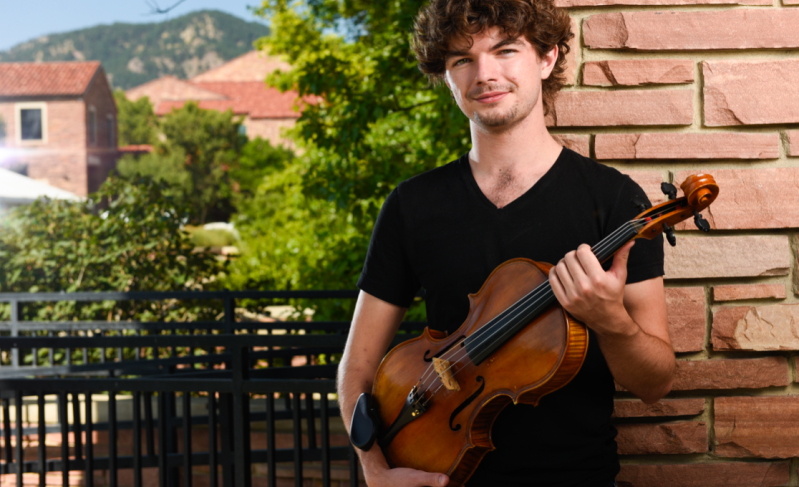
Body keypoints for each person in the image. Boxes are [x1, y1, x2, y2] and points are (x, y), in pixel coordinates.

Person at [336, 0, 676, 486]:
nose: (484, 73)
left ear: (547, 58)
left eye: (505, 51)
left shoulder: (616, 200)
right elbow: (358, 368)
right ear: (447, 76)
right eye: (461, 59)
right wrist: (374, 471)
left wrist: (611, 322)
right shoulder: (411, 205)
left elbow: (656, 383)